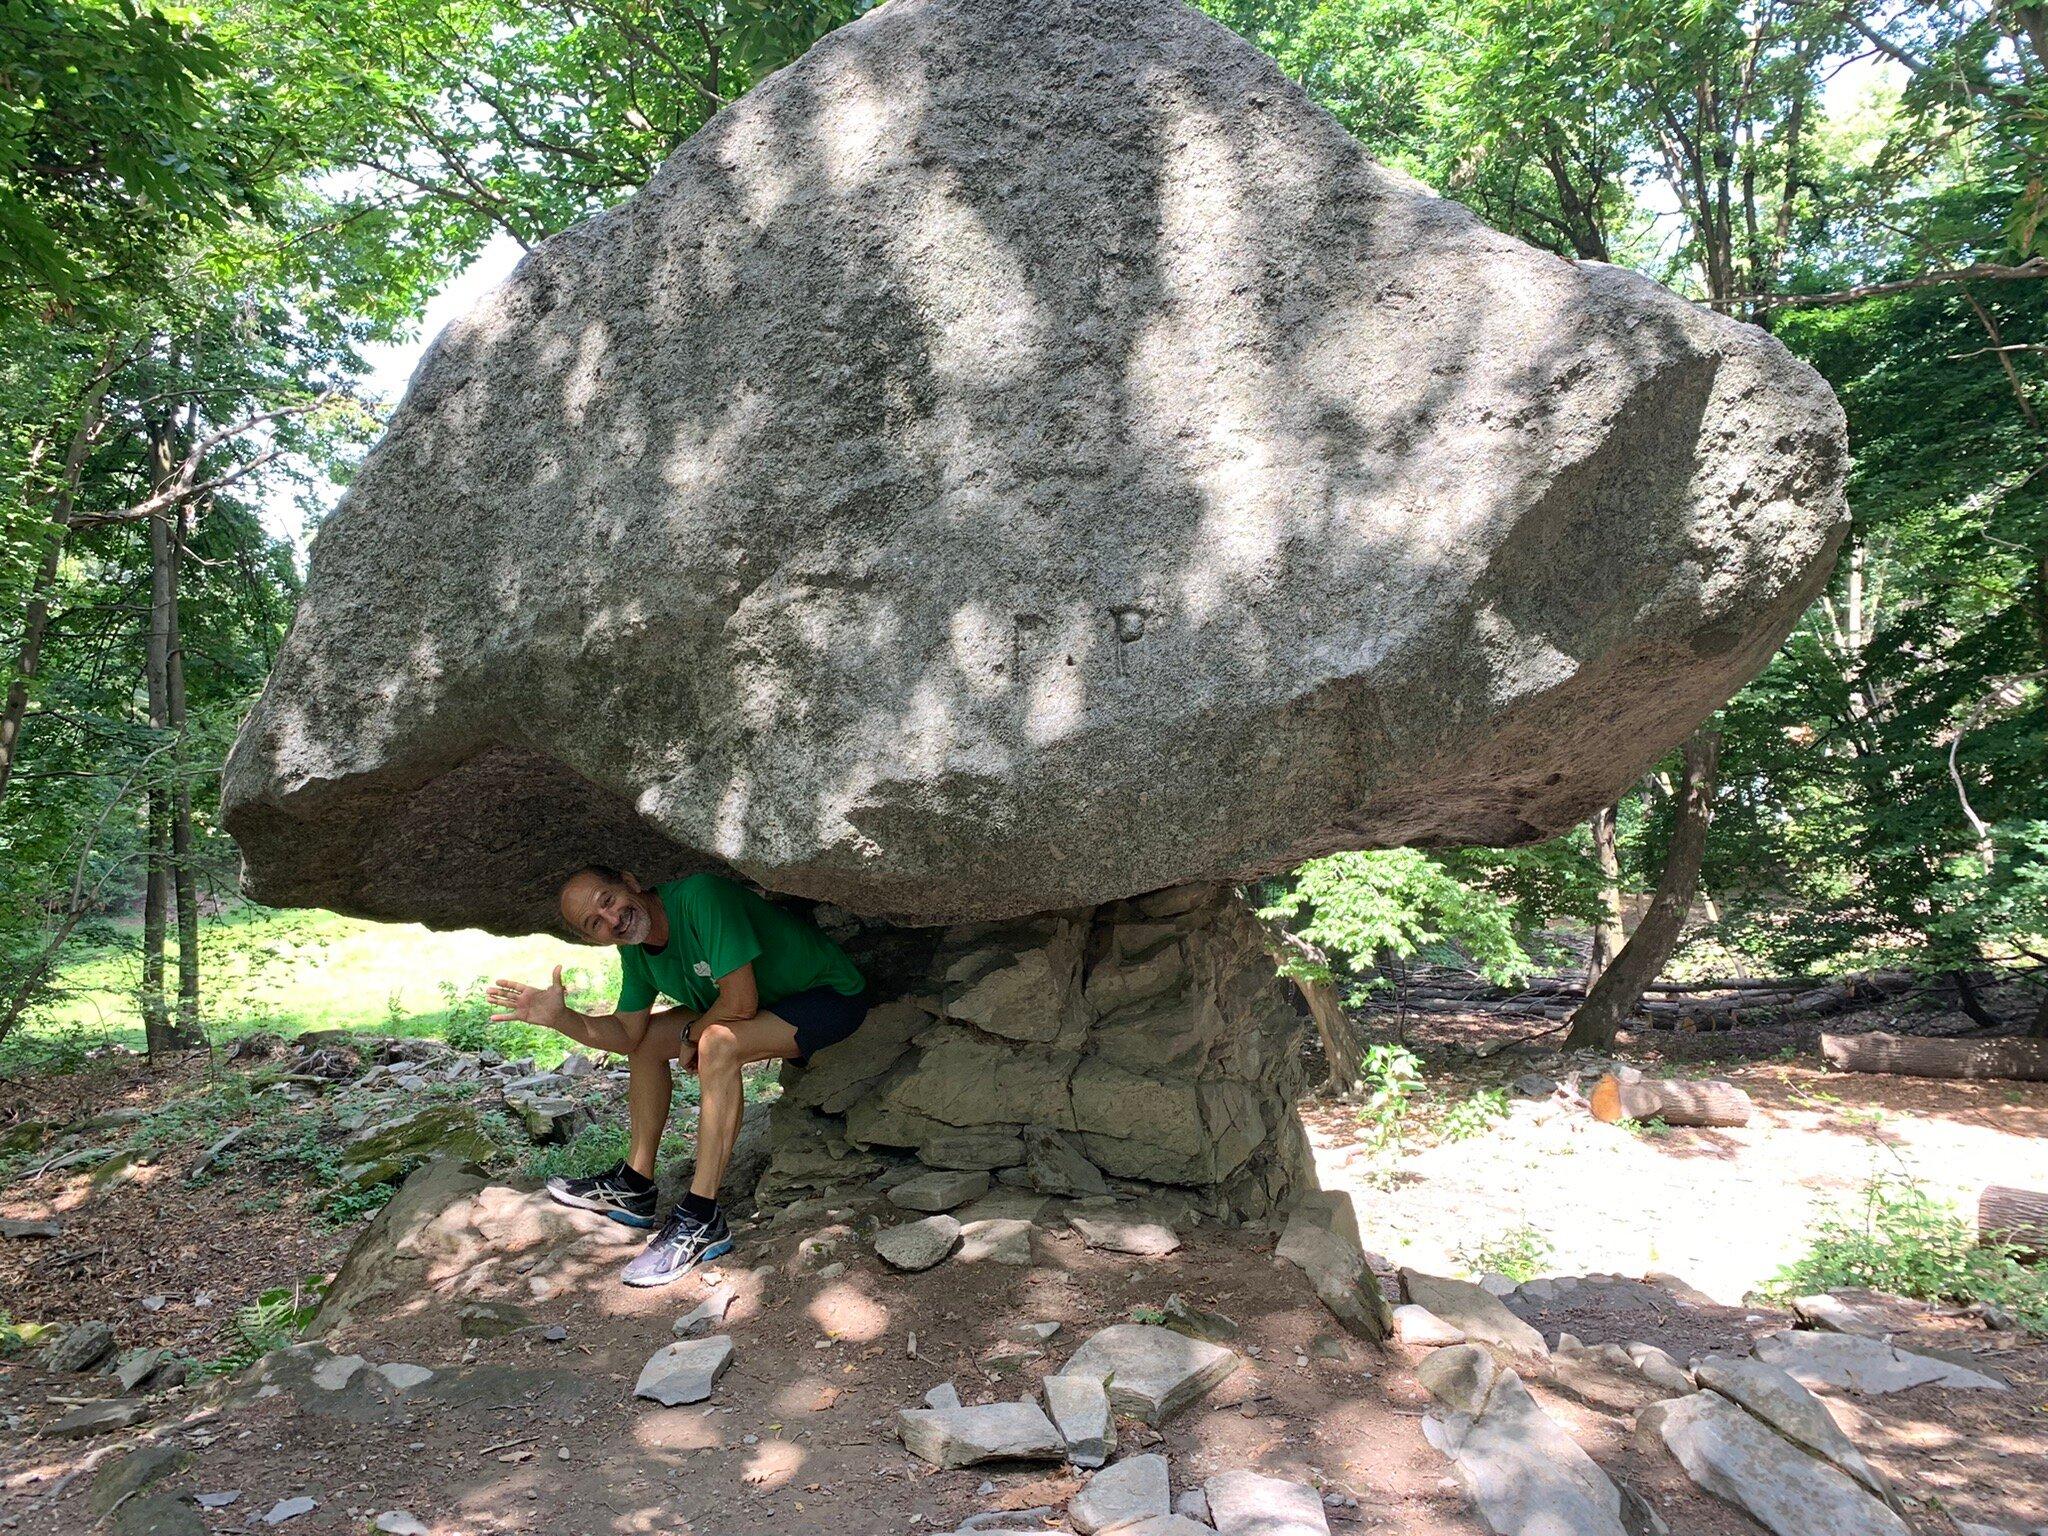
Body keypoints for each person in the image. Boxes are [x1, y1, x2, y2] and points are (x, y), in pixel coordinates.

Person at [485, 866, 867, 1286]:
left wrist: (692, 1033)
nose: (612, 920)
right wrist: (563, 1019)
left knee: (716, 1043)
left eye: (607, 901)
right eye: (595, 923)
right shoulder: (633, 949)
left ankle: (702, 1216)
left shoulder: (701, 897)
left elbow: (739, 1000)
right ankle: (635, 1184)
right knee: (648, 1042)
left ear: (631, 882)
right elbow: (628, 1034)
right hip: (755, 1007)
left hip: (825, 998)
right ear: (592, 939)